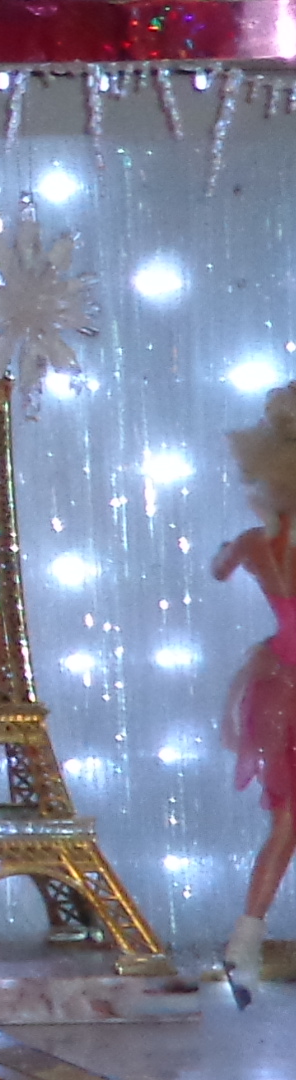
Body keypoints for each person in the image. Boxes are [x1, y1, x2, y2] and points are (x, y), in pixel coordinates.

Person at [212, 387, 296, 993]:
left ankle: (244, 941)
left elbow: (218, 569)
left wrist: (233, 550)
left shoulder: (252, 543)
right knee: (287, 823)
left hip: (278, 688)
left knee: (286, 824)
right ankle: (243, 943)